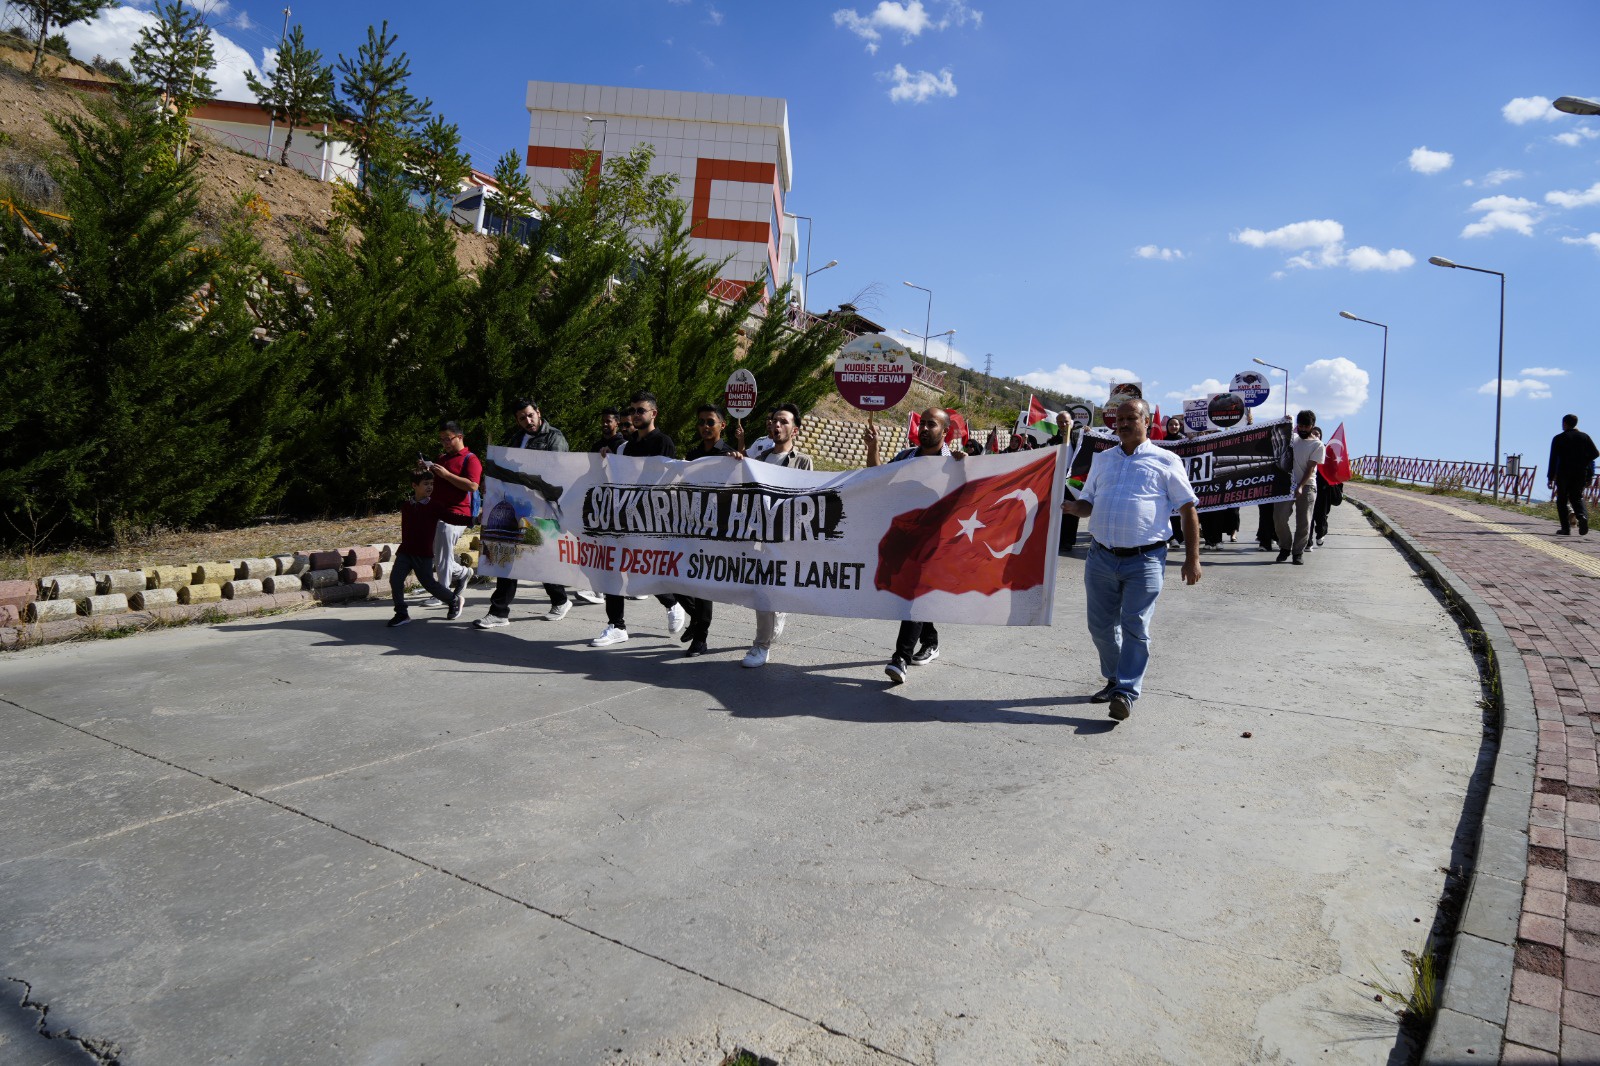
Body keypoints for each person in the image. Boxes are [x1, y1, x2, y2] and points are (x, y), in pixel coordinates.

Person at [1062, 398, 1201, 722]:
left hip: (1146, 560)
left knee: (1135, 625)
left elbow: (1187, 509)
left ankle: (1125, 692)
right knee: (1100, 628)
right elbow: (1088, 502)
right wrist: (1073, 508)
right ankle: (1114, 679)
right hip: (1099, 558)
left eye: (1130, 418)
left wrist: (1192, 559)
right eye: (1118, 419)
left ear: (1147, 421)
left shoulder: (1166, 461)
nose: (1122, 424)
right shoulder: (1103, 459)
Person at [865, 407, 965, 684]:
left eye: (931, 425)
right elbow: (878, 478)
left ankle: (900, 658)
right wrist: (873, 448)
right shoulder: (906, 457)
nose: (924, 428)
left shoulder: (955, 463)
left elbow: (970, 496)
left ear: (945, 432)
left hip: (937, 544)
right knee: (909, 594)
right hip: (905, 540)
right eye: (922, 423)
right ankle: (930, 640)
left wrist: (966, 466)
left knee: (917, 595)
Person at [592, 391, 688, 646]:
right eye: (632, 410)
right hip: (622, 516)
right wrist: (606, 457)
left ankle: (672, 603)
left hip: (648, 519)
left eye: (640, 410)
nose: (634, 415)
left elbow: (666, 480)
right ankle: (616, 625)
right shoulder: (625, 445)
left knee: (640, 572)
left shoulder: (662, 442)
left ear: (653, 414)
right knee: (611, 567)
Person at [476, 400, 580, 629]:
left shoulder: (554, 437)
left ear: (538, 413)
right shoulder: (518, 438)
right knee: (508, 553)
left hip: (542, 508)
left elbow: (557, 471)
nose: (528, 421)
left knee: (540, 555)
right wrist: (492, 482)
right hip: (518, 506)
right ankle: (499, 612)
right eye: (522, 418)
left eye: (530, 415)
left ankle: (560, 600)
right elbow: (510, 468)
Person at [742, 403, 814, 669]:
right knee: (762, 590)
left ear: (794, 429)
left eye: (783, 421)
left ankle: (761, 646)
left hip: (785, 536)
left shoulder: (803, 461)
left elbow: (807, 499)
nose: (777, 425)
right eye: (773, 421)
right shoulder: (758, 461)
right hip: (760, 535)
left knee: (770, 592)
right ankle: (767, 634)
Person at [679, 404, 738, 657]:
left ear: (722, 425)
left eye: (710, 422)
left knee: (702, 585)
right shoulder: (692, 456)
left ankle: (700, 638)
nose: (705, 426)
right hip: (690, 525)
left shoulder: (729, 456)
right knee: (676, 579)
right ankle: (696, 618)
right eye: (701, 422)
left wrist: (739, 462)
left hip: (714, 530)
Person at [417, 421, 480, 620]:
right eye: (442, 439)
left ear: (459, 437)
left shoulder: (471, 459)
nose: (444, 443)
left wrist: (447, 474)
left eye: (448, 438)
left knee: (442, 549)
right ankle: (462, 573)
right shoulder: (442, 458)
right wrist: (427, 469)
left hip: (457, 514)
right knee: (438, 552)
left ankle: (442, 592)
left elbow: (472, 486)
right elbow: (438, 482)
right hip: (437, 511)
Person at [387, 469, 463, 626]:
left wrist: (474, 519)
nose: (430, 487)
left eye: (432, 484)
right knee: (395, 579)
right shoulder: (407, 506)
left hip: (423, 554)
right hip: (406, 551)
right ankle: (401, 613)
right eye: (426, 484)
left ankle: (454, 600)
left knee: (429, 584)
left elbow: (452, 517)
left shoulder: (434, 506)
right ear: (414, 485)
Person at [1273, 410, 1324, 565]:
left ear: (1312, 426)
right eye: (1299, 425)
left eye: (1305, 426)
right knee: (1279, 518)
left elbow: (1310, 468)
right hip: (1286, 485)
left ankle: (1298, 552)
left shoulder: (1318, 445)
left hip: (1307, 486)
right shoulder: (1292, 439)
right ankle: (1285, 547)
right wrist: (1284, 421)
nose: (1302, 429)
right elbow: (1275, 435)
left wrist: (1301, 486)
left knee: (1304, 521)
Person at [1548, 414, 1599, 536]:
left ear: (1565, 423)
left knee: (1562, 500)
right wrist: (1584, 461)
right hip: (1580, 472)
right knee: (1577, 497)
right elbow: (1595, 453)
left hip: (1563, 472)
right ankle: (1582, 517)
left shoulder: (1558, 438)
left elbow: (1553, 459)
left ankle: (1565, 529)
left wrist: (1550, 477)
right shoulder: (1584, 437)